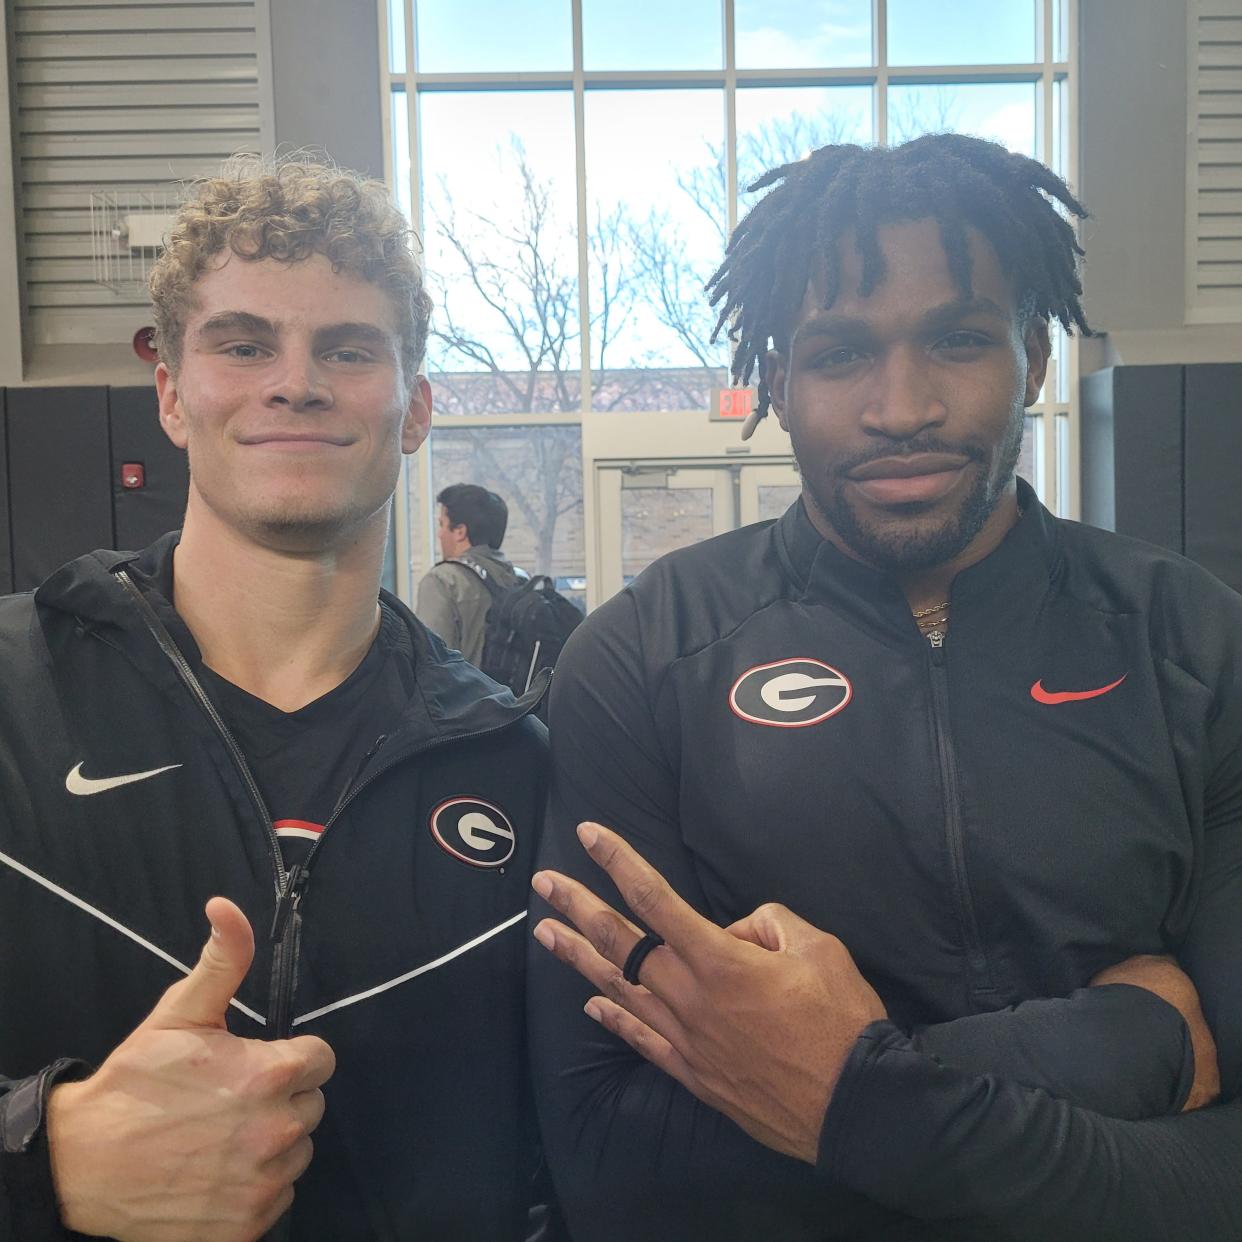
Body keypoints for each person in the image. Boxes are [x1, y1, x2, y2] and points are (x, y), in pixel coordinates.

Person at [527, 134, 1242, 1240]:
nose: (901, 406)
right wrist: (1120, 1045)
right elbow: (621, 1166)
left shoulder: (1190, 643)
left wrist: (820, 1092)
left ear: (1036, 358)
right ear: (775, 379)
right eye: (839, 354)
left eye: (957, 340)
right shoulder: (645, 661)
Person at [0, 158, 548, 1241]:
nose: (295, 382)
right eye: (245, 344)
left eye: (347, 349)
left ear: (415, 410)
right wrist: (45, 1155)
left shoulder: (514, 764)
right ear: (169, 391)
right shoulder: (14, 697)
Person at [417, 483, 526, 665]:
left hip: (468, 693)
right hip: (522, 693)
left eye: (442, 524)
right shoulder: (522, 580)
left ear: (460, 531)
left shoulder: (443, 581)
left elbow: (431, 663)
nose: (439, 534)